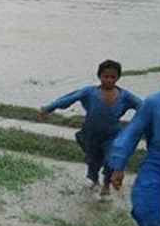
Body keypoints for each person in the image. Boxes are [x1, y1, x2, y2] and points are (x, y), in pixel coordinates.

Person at [38, 60, 142, 198]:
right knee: (93, 162)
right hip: (90, 135)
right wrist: (49, 108)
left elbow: (144, 107)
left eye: (113, 77)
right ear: (99, 76)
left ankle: (106, 186)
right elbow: (68, 99)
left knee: (111, 160)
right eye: (106, 76)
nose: (109, 80)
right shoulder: (89, 92)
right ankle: (94, 181)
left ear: (118, 78)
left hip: (112, 136)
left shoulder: (125, 96)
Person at [109, 60, 160, 226]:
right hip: (158, 166)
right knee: (147, 213)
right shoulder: (155, 103)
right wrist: (118, 165)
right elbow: (132, 132)